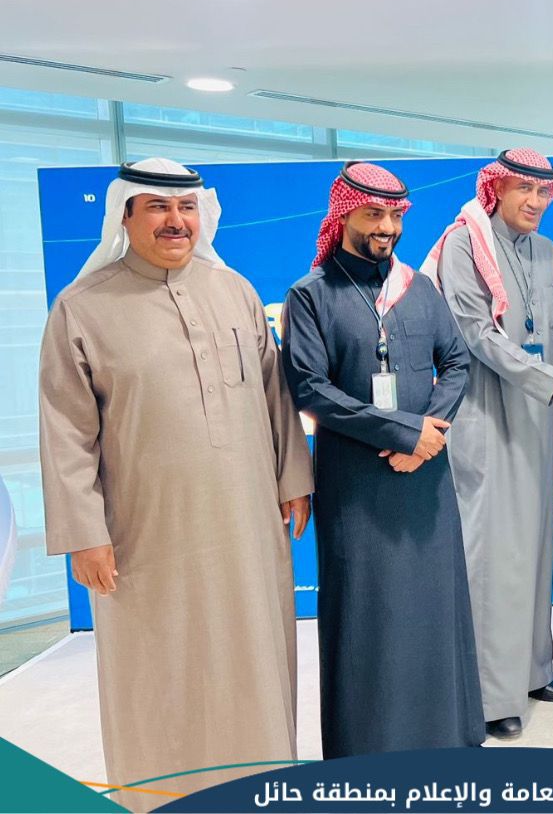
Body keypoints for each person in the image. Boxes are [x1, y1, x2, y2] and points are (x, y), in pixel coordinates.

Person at [38, 158, 312, 809]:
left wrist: (293, 478)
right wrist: (84, 534)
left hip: (246, 527)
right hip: (146, 535)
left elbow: (274, 394)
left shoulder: (235, 291)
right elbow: (66, 429)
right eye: (158, 207)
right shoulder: (83, 308)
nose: (175, 221)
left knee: (252, 658)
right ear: (125, 214)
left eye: (186, 207)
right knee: (159, 668)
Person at [281, 161, 484, 755]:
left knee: (432, 610)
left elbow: (457, 362)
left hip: (426, 478)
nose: (387, 227)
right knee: (368, 616)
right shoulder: (311, 295)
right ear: (344, 215)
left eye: (395, 215)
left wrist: (429, 433)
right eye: (374, 214)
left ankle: (445, 741)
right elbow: (309, 387)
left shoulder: (420, 288)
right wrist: (404, 433)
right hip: (357, 486)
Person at [422, 148, 553, 738]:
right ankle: (489, 695)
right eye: (523, 189)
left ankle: (531, 672)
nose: (534, 201)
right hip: (487, 415)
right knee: (494, 555)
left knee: (535, 543)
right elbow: (477, 336)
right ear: (496, 189)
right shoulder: (463, 244)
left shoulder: (547, 251)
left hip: (540, 419)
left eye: (543, 192)